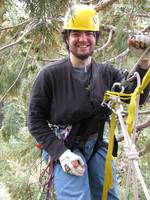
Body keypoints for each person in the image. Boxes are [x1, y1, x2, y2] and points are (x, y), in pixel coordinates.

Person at [28, 4, 150, 200]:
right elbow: (34, 121)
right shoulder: (50, 75)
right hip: (64, 144)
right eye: (76, 33)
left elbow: (136, 96)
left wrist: (144, 66)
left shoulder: (107, 73)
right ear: (67, 38)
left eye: (89, 33)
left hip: (95, 145)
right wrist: (61, 154)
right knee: (76, 196)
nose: (83, 39)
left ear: (96, 38)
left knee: (108, 196)